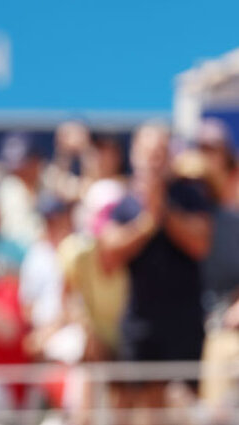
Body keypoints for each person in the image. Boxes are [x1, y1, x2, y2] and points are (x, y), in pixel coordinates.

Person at [99, 123, 213, 423]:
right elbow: (109, 255)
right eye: (148, 153)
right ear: (134, 155)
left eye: (160, 153)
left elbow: (200, 242)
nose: (154, 160)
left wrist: (163, 210)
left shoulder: (190, 195)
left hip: (184, 324)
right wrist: (148, 222)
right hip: (141, 326)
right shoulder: (123, 203)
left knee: (183, 405)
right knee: (146, 410)